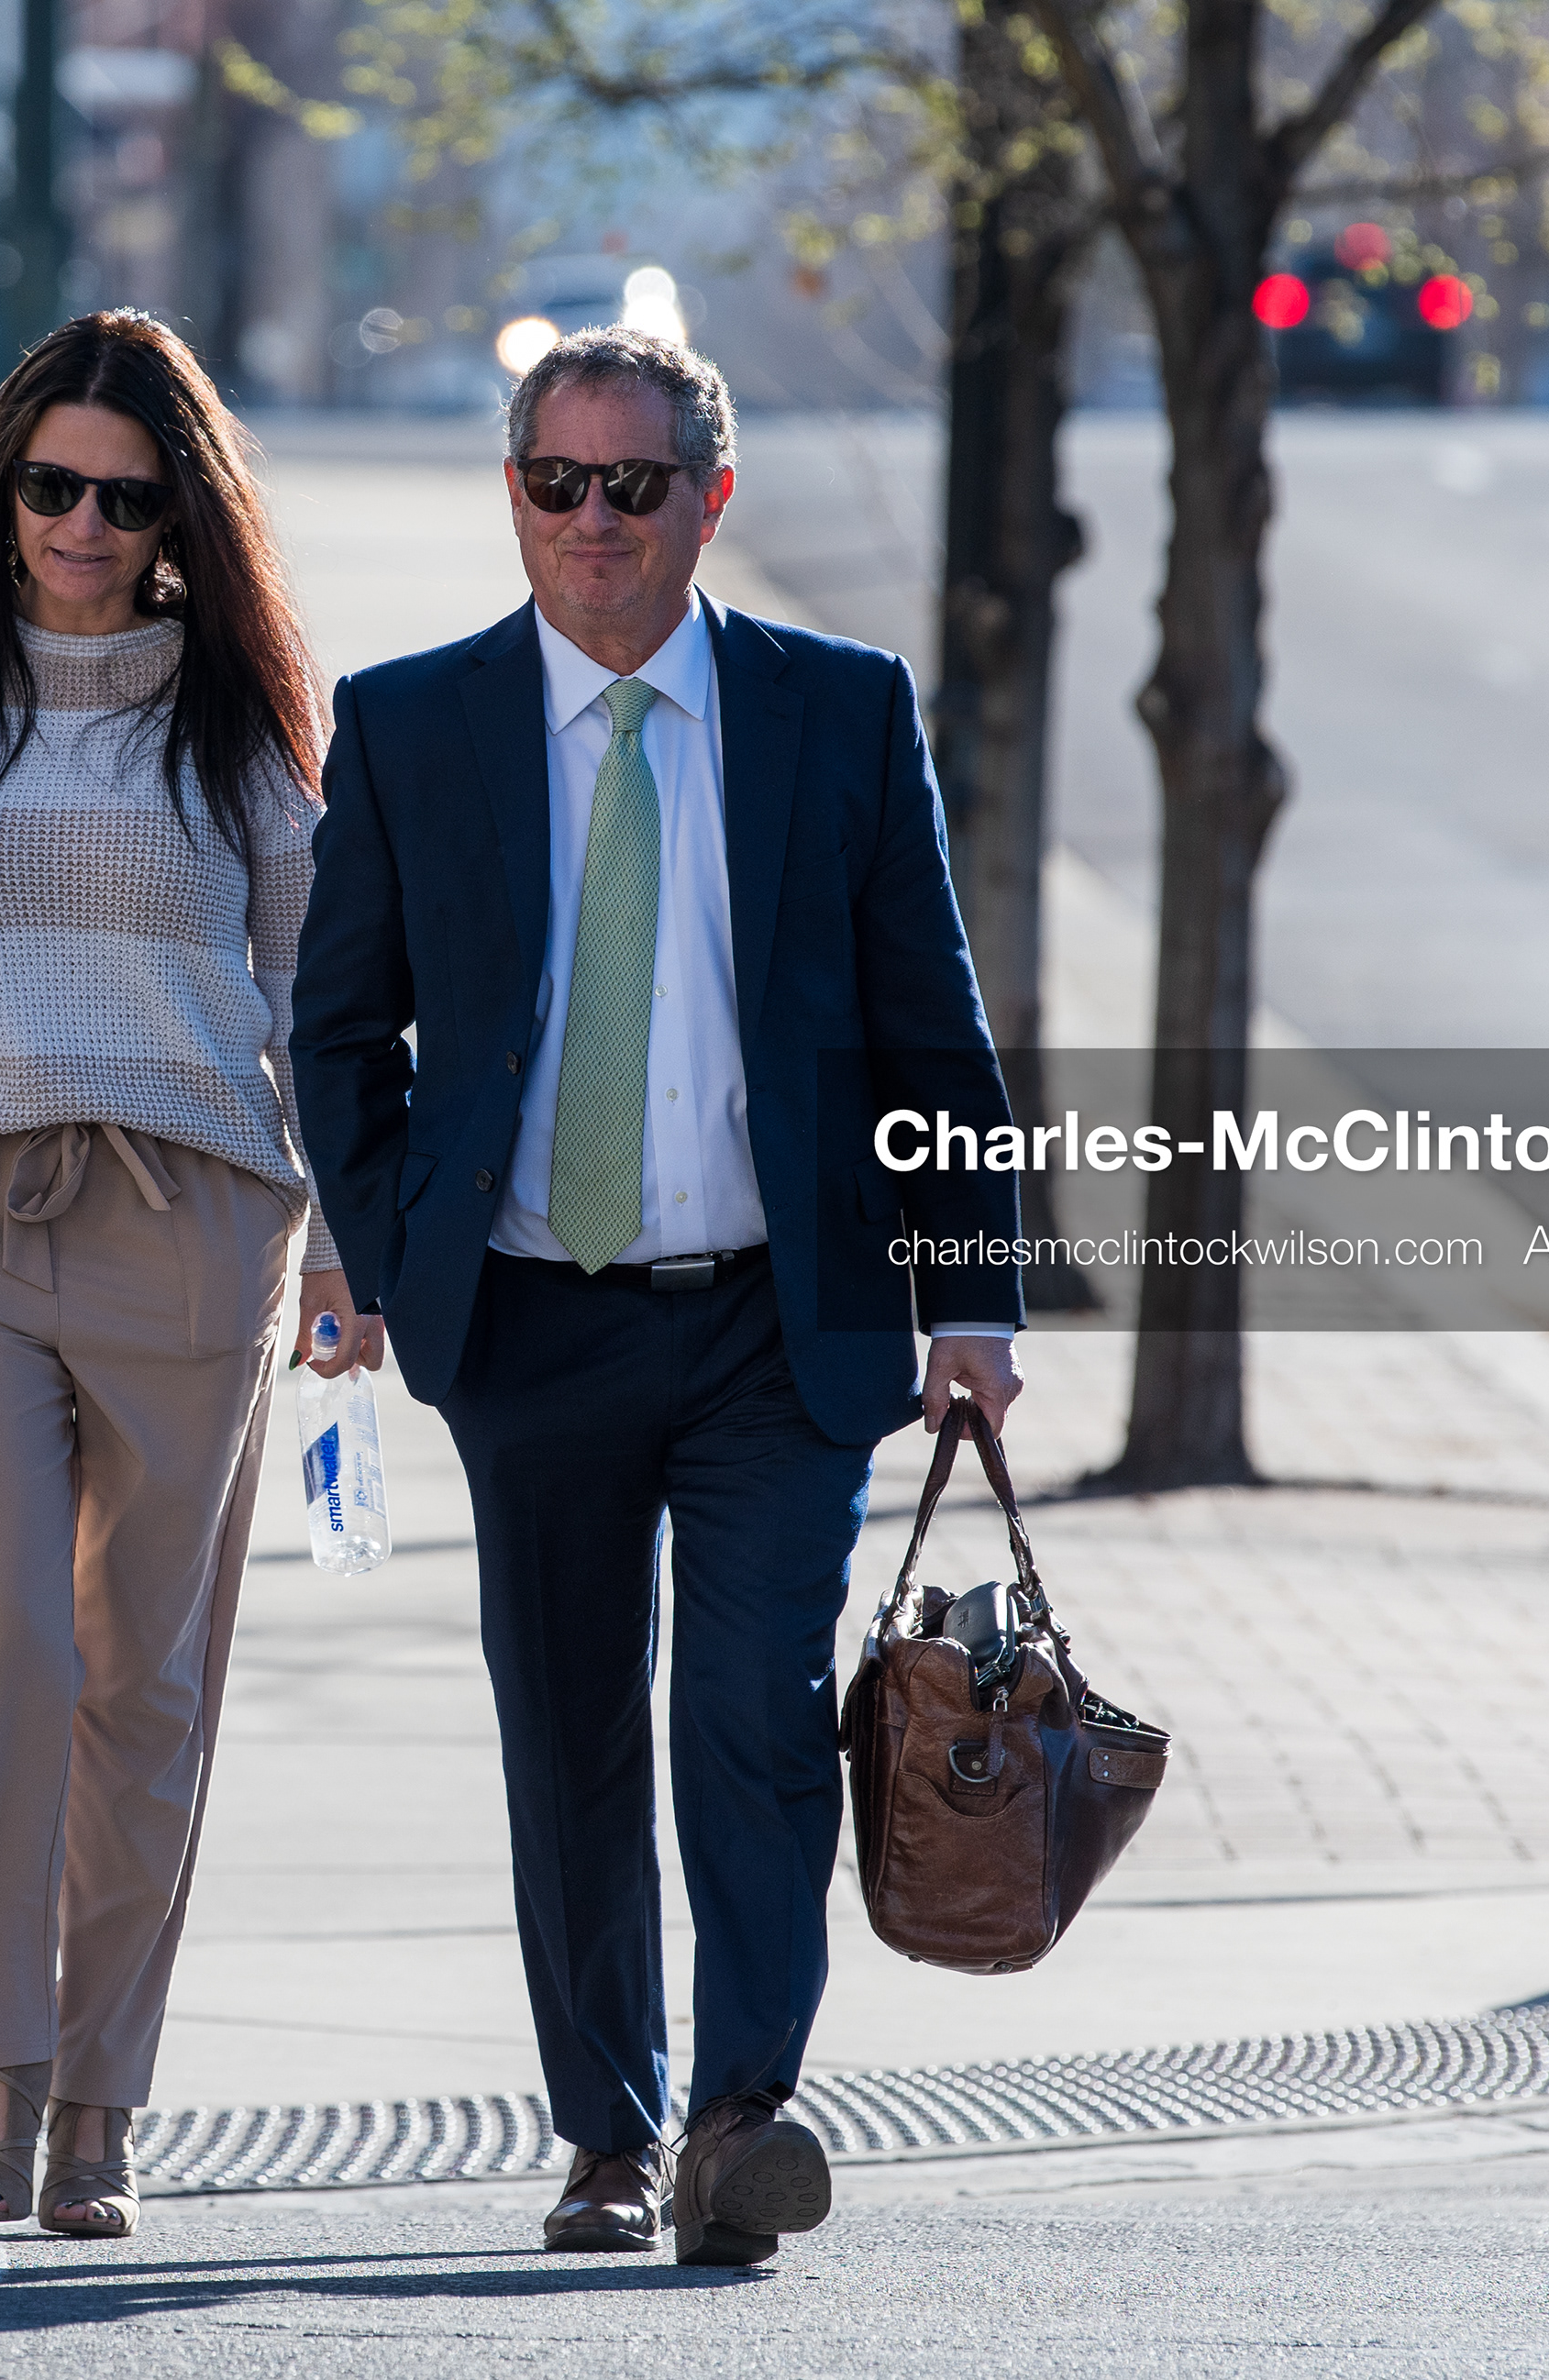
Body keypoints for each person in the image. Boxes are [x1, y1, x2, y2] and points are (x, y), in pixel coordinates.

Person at [291, 327, 1024, 2267]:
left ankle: (740, 2113)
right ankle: (603, 2132)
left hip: (782, 1320)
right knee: (570, 1734)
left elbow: (927, 1022)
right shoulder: (414, 723)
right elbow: (339, 1026)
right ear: (515, 494)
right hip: (529, 1320)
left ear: (715, 497)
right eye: (560, 483)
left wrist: (978, 1291)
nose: (597, 522)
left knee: (760, 1722)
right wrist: (379, 1249)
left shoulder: (839, 713)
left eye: (637, 485)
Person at [0, 310, 365, 2241]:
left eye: (124, 500)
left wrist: (340, 1248)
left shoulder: (248, 704)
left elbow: (316, 996)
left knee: (149, 1672)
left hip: (192, 1210)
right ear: (5, 483)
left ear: (176, 514)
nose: (80, 526)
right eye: (49, 485)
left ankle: (100, 2100)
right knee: (1, 1644)